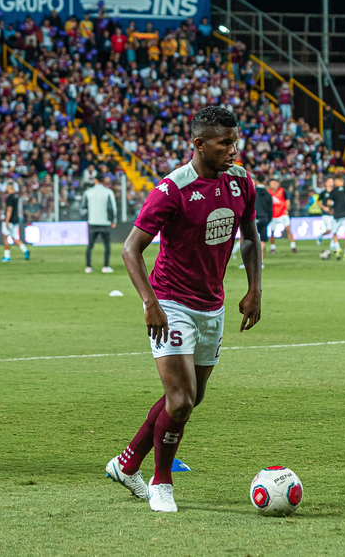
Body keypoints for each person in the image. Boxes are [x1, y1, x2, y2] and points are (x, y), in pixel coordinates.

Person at [109, 106, 262, 512]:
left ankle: (126, 464)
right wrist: (150, 303)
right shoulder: (172, 189)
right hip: (171, 302)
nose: (233, 149)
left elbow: (249, 236)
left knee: (192, 398)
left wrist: (254, 289)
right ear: (199, 144)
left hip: (213, 305)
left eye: (235, 140)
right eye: (224, 143)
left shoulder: (241, 181)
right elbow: (130, 249)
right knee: (179, 401)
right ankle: (161, 482)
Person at [82, 173, 117, 273]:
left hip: (92, 222)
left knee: (90, 245)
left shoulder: (88, 192)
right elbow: (112, 208)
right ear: (103, 181)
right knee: (107, 245)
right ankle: (106, 266)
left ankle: (88, 267)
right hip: (105, 222)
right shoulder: (108, 192)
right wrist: (113, 221)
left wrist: (88, 218)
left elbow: (83, 207)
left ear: (95, 180)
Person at [1, 182, 30, 262]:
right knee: (14, 238)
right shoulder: (16, 197)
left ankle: (7, 256)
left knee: (6, 238)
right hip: (16, 219)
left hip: (10, 220)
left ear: (9, 188)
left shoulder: (9, 197)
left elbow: (9, 209)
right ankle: (25, 250)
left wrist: (6, 221)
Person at [268, 177, 297, 254]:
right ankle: (272, 247)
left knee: (288, 229)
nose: (273, 185)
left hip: (282, 214)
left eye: (274, 183)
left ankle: (293, 246)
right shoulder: (268, 192)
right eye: (271, 183)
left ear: (278, 184)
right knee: (272, 232)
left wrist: (286, 209)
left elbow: (287, 201)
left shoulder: (283, 191)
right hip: (273, 215)